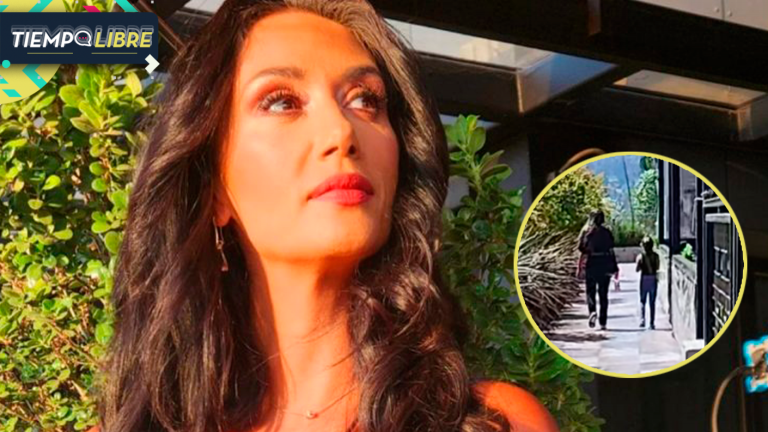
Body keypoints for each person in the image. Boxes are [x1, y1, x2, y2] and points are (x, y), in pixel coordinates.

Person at [90, 1, 558, 432]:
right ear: (213, 190)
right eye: (282, 101)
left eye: (365, 100)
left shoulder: (497, 423)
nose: (340, 130)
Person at [578, 210, 618, 331]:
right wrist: (615, 267)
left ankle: (592, 311)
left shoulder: (587, 232)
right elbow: (611, 249)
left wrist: (580, 266)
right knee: (603, 294)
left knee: (590, 291)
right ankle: (603, 322)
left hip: (591, 263)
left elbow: (581, 248)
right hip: (605, 263)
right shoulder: (607, 232)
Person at [636, 236, 661, 330]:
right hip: (653, 279)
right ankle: (652, 323)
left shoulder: (640, 256)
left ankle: (642, 320)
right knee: (652, 302)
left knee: (642, 300)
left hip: (644, 278)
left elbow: (637, 269)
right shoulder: (656, 256)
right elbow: (657, 267)